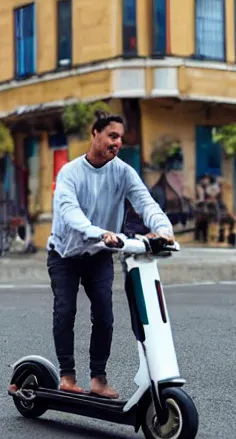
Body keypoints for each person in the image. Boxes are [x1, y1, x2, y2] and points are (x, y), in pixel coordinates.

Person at [46, 115, 174, 399]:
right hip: (64, 254)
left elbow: (145, 203)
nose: (117, 142)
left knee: (104, 315)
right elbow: (70, 214)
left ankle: (98, 379)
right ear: (95, 134)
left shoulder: (124, 172)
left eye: (120, 138)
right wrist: (99, 232)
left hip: (100, 254)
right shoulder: (70, 173)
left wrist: (164, 230)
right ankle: (66, 375)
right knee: (65, 311)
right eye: (112, 136)